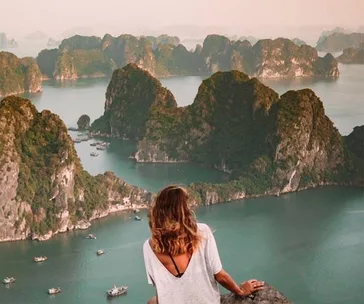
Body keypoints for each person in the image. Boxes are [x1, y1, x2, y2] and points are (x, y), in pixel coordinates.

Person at [143, 185, 264, 304]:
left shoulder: (148, 247)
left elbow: (161, 286)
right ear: (183, 211)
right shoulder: (201, 232)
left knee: (151, 302)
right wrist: (241, 291)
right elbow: (220, 275)